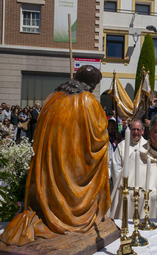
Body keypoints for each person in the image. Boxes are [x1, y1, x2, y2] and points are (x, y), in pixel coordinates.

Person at [0, 65, 111, 246]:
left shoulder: (52, 97)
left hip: (49, 164)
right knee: (71, 195)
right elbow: (99, 138)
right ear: (91, 84)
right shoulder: (88, 100)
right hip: (73, 164)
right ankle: (71, 218)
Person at [112, 120, 147, 184]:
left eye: (138, 129)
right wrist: (122, 183)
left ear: (142, 131)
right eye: (133, 129)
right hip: (125, 184)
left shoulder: (147, 146)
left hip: (142, 183)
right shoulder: (122, 145)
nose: (135, 132)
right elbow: (116, 166)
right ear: (129, 130)